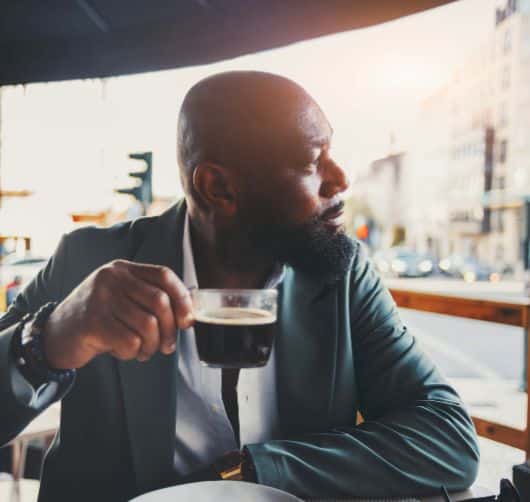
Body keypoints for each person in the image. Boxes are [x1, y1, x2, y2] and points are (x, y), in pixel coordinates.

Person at [0, 72, 479, 502]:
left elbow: (448, 437)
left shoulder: (341, 274)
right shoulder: (91, 263)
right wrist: (51, 339)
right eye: (313, 162)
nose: (340, 179)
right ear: (218, 187)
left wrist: (256, 471)